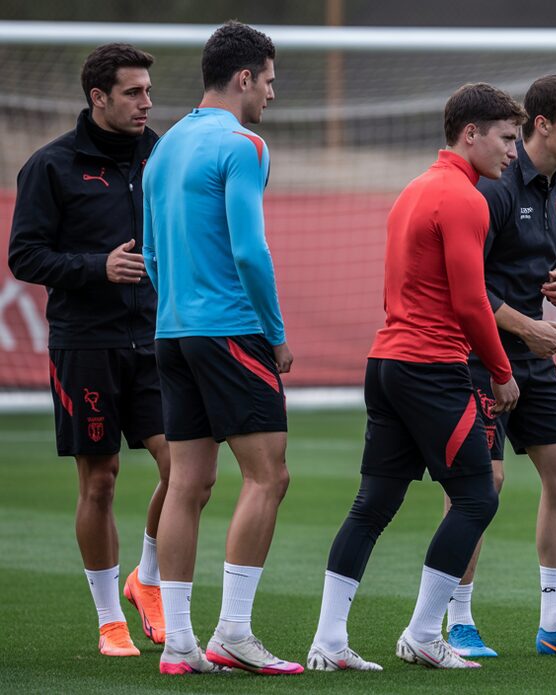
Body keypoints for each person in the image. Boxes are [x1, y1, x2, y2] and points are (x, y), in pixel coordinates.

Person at [306, 82, 523, 672]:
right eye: (507, 137)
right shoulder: (464, 199)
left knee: (372, 505)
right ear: (470, 133)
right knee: (476, 498)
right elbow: (472, 302)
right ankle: (426, 633)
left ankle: (328, 641)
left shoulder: (414, 190)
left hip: (387, 363)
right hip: (431, 369)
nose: (513, 151)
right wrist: (502, 373)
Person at [442, 74, 556, 659]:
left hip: (531, 356)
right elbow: (461, 290)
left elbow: (551, 268)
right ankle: (457, 621)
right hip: (475, 354)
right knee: (481, 483)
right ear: (541, 125)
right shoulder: (492, 188)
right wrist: (526, 328)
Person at [142, 21, 300, 676]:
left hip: (173, 331)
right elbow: (248, 249)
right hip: (231, 329)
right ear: (243, 78)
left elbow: (151, 255)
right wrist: (275, 329)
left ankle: (178, 642)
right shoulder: (243, 145)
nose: (269, 93)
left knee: (188, 481)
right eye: (267, 80)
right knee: (269, 475)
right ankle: (232, 630)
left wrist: (183, 307)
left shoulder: (164, 147)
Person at [8, 42, 169, 659]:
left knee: (184, 472)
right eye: (132, 92)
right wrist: (96, 267)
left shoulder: (162, 157)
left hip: (159, 340)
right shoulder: (51, 166)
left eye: (148, 91)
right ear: (98, 97)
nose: (146, 103)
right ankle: (109, 621)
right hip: (86, 345)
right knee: (99, 481)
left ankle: (146, 582)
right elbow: (25, 256)